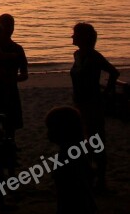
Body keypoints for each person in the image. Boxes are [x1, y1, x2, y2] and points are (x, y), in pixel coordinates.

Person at [70, 22, 119, 191]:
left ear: (83, 37)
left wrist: (107, 93)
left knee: (96, 140)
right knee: (84, 140)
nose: (72, 36)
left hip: (93, 103)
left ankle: (101, 179)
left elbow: (114, 72)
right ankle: (90, 175)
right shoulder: (77, 55)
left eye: (75, 34)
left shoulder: (94, 56)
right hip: (79, 102)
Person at [45, 106, 97, 214]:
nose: (47, 133)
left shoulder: (66, 156)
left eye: (50, 128)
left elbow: (65, 195)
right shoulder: (77, 152)